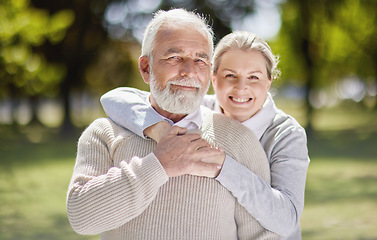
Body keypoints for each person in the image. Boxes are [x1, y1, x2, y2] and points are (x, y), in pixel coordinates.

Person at [67, 9, 279, 240]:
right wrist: (159, 165)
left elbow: (263, 234)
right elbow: (81, 218)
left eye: (200, 60)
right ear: (146, 68)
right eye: (174, 58)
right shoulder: (104, 134)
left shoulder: (239, 139)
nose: (189, 71)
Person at [101, 31, 310, 239]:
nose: (241, 87)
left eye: (254, 77)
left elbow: (287, 220)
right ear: (213, 77)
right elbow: (115, 98)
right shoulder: (199, 109)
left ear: (268, 82)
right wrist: (159, 129)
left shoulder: (286, 134)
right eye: (230, 75)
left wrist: (223, 167)